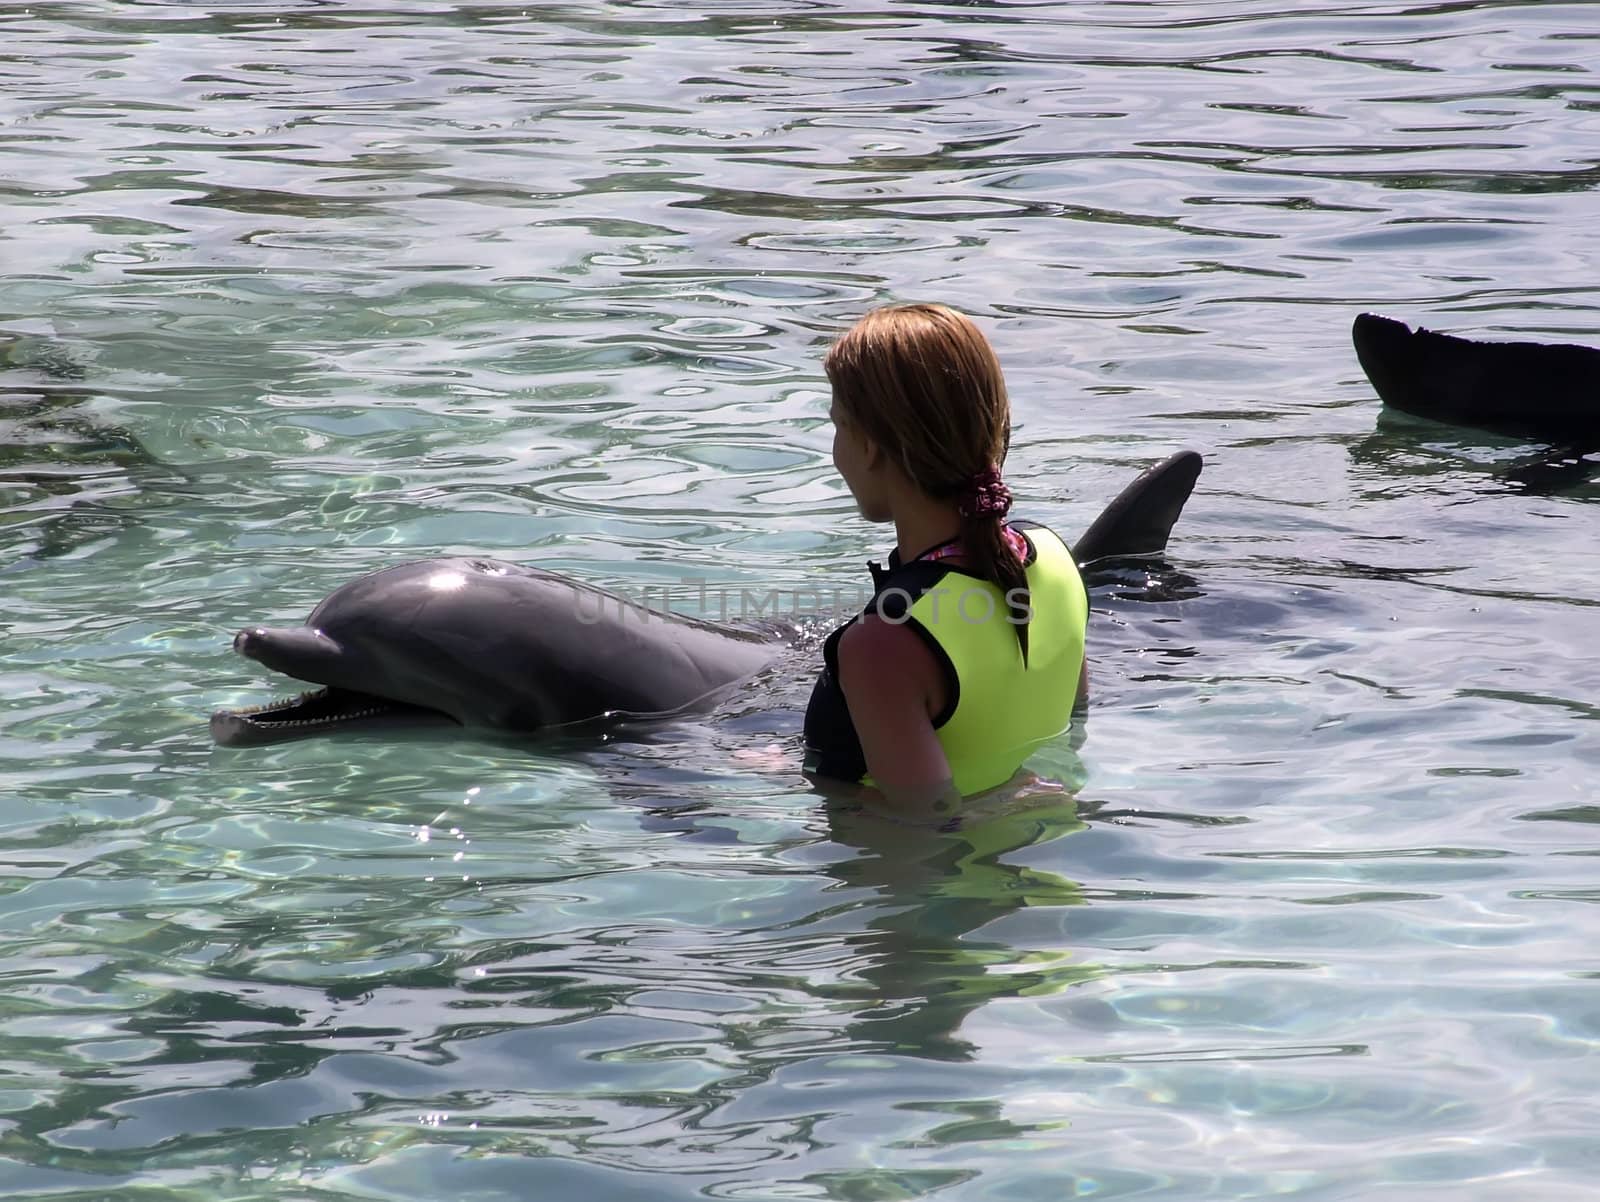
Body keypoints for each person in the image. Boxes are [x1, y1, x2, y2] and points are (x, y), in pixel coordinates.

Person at [803, 303, 1089, 817]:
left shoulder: (884, 642)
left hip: (943, 889)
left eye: (837, 427)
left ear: (869, 446)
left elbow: (922, 828)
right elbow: (1066, 726)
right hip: (1049, 871)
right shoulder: (1054, 558)